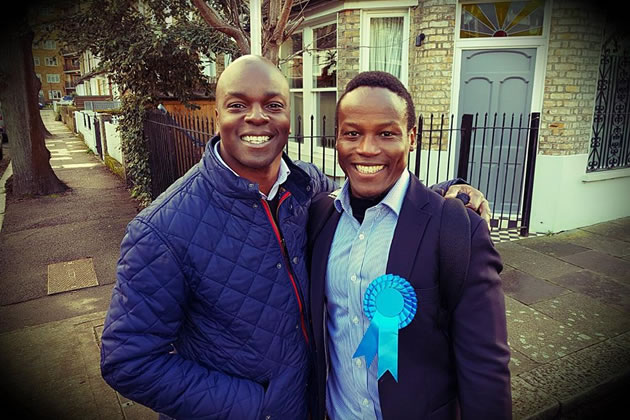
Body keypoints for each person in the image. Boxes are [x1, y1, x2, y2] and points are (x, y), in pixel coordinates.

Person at [100, 55, 489, 419]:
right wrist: (259, 407)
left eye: (272, 105)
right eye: (237, 105)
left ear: (289, 115)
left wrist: (447, 195)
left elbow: (369, 196)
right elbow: (129, 361)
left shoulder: (308, 187)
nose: (257, 117)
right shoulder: (162, 229)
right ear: (216, 115)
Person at [307, 71, 511, 420]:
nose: (367, 149)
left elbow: (485, 368)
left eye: (387, 133)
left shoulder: (455, 229)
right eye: (352, 133)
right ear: (337, 138)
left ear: (411, 137)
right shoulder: (321, 216)